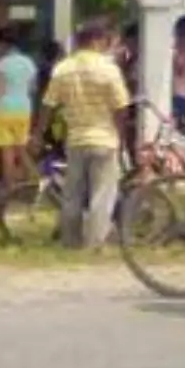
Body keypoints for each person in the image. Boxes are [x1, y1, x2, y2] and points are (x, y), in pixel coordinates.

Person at [32, 20, 132, 249]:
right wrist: (121, 137)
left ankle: (70, 240)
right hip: (105, 139)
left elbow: (48, 105)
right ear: (97, 40)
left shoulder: (63, 69)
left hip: (75, 140)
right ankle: (95, 242)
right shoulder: (109, 69)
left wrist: (38, 134)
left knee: (72, 194)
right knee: (102, 194)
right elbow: (121, 107)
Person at [0, 26, 39, 205]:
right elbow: (32, 88)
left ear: (3, 44)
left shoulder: (1, 64)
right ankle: (35, 180)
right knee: (21, 148)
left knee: (7, 151)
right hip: (24, 109)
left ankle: (9, 189)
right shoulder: (28, 62)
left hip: (3, 109)